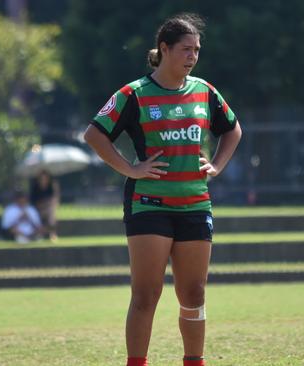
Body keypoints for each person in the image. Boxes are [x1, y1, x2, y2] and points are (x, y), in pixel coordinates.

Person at [84, 13, 242, 366]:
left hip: (195, 204)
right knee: (146, 294)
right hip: (149, 205)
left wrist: (216, 165)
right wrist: (131, 169)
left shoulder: (205, 91)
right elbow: (94, 134)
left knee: (194, 293)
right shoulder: (134, 94)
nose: (193, 56)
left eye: (197, 50)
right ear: (164, 49)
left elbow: (232, 130)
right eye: (186, 49)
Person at [30, 170, 60, 241]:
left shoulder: (52, 186)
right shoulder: (35, 188)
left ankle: (52, 233)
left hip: (49, 209)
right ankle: (41, 233)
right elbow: (33, 202)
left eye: (45, 178)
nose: (43, 180)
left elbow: (54, 200)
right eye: (42, 178)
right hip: (38, 209)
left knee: (50, 214)